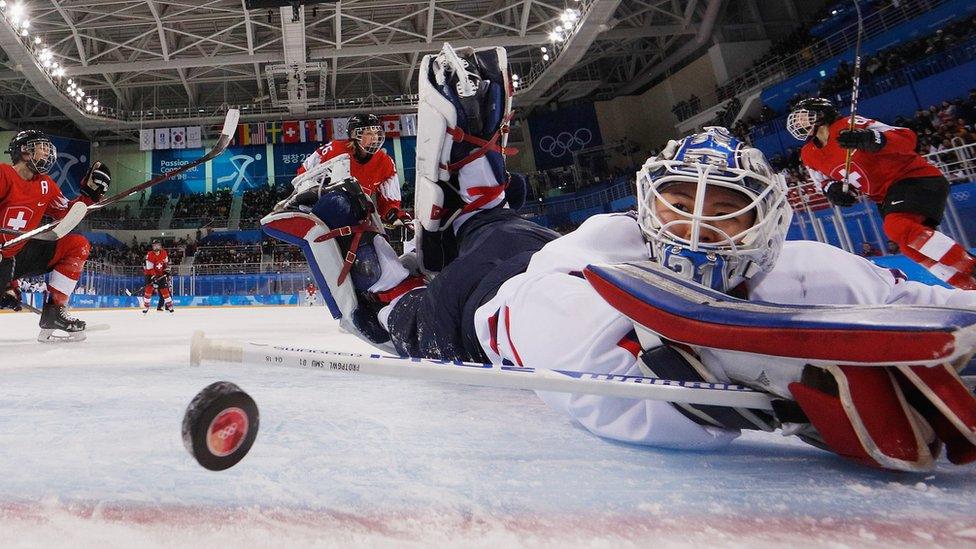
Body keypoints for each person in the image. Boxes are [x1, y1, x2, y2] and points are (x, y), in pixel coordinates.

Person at [263, 44, 976, 472]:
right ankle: (369, 245)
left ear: (766, 224)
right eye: (680, 205)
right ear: (649, 205)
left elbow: (926, 310)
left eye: (721, 209)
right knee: (401, 316)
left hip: (529, 245)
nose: (696, 226)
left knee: (495, 232)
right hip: (500, 295)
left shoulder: (806, 269)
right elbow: (608, 390)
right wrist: (774, 398)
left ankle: (467, 202)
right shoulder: (590, 285)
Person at [786, 97, 976, 289]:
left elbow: (906, 138)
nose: (799, 122)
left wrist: (872, 139)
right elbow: (822, 181)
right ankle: (968, 287)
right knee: (910, 247)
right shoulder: (808, 153)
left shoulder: (850, 124)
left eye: (803, 116)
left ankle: (971, 266)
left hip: (913, 178)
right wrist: (832, 190)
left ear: (821, 115)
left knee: (896, 227)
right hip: (885, 197)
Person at [0, 130, 110, 341]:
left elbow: (67, 215)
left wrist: (90, 196)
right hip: (2, 259)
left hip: (21, 253)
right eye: (41, 147)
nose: (47, 152)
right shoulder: (4, 174)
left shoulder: (45, 184)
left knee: (77, 244)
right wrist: (8, 285)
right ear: (24, 151)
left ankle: (54, 312)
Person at [297, 113, 410, 227]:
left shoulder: (385, 162)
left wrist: (395, 217)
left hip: (356, 219)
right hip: (324, 217)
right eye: (369, 133)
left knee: (379, 243)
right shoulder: (334, 150)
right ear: (354, 134)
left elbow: (389, 203)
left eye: (376, 133)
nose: (375, 137)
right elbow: (303, 173)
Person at [142, 239, 173, 314]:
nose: (156, 247)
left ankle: (170, 307)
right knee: (148, 290)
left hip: (161, 274)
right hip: (149, 274)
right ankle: (146, 307)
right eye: (154, 245)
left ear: (160, 246)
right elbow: (150, 268)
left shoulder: (164, 253)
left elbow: (166, 264)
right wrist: (153, 277)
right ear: (152, 247)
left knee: (164, 290)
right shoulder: (149, 254)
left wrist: (167, 271)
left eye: (157, 245)